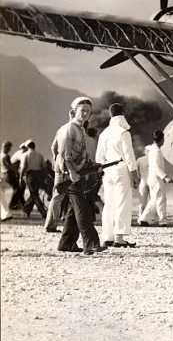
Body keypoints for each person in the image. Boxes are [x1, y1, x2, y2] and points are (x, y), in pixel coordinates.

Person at [56, 97, 105, 255]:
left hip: (76, 173)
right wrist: (70, 171)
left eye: (88, 112)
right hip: (70, 175)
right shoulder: (70, 128)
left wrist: (92, 166)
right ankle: (91, 244)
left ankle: (66, 243)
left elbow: (53, 148)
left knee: (73, 210)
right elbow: (64, 154)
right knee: (82, 209)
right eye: (82, 110)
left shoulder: (80, 129)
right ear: (73, 111)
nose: (85, 114)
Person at [96, 103, 139, 248]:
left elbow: (99, 158)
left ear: (110, 115)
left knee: (109, 203)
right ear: (123, 114)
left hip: (108, 171)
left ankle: (107, 236)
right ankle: (119, 238)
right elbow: (129, 155)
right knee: (122, 202)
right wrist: (134, 174)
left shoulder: (104, 133)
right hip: (121, 169)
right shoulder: (123, 132)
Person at [139, 130, 173, 227]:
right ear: (162, 139)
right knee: (161, 199)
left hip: (152, 178)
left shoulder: (153, 149)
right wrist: (165, 177)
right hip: (156, 178)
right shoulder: (156, 151)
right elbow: (156, 166)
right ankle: (162, 220)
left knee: (154, 199)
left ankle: (144, 218)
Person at [19, 140, 47, 219]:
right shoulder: (40, 155)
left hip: (30, 175)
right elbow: (44, 167)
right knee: (34, 193)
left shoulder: (25, 155)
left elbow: (24, 167)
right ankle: (26, 210)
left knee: (34, 194)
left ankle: (43, 212)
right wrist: (44, 177)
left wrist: (21, 177)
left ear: (28, 146)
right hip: (38, 175)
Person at [1, 141, 14, 221]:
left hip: (2, 175)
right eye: (9, 148)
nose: (9, 149)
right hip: (7, 175)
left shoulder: (0, 155)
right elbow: (9, 167)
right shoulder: (6, 156)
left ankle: (5, 213)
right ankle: (6, 214)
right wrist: (16, 171)